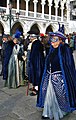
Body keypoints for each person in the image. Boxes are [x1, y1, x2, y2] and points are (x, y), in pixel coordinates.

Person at [37, 31, 76, 120]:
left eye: (55, 40)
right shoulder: (51, 50)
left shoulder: (65, 50)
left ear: (60, 40)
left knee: (60, 96)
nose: (52, 42)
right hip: (49, 77)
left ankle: (61, 110)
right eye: (51, 40)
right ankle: (47, 113)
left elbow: (68, 65)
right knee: (48, 95)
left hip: (59, 78)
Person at [28, 30, 45, 96]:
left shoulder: (36, 44)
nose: (29, 38)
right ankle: (35, 87)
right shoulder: (36, 43)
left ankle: (36, 89)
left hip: (37, 63)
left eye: (30, 36)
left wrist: (31, 61)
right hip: (36, 62)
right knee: (34, 75)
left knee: (36, 75)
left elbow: (35, 55)